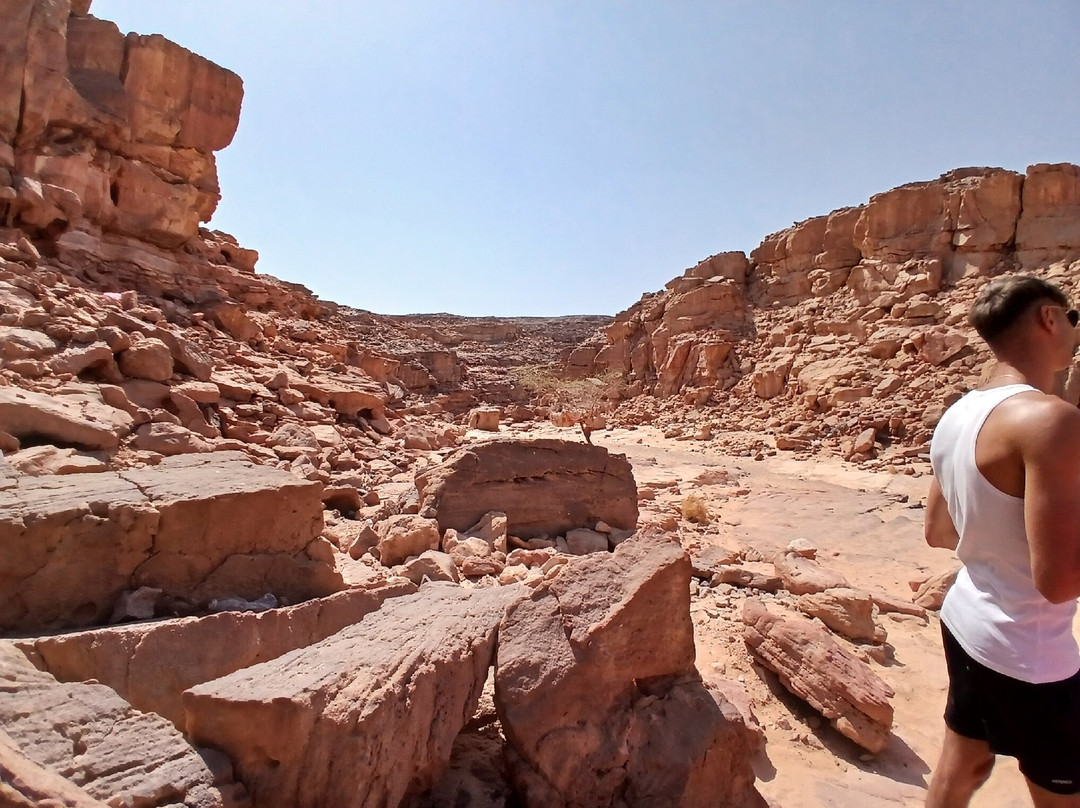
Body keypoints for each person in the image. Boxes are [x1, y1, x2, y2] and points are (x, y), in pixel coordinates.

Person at [924, 274, 1080, 807]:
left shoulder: (958, 413)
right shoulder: (1051, 420)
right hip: (1030, 652)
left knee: (962, 766)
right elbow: (1059, 583)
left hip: (966, 620)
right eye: (1073, 319)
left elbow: (938, 532)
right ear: (1049, 319)